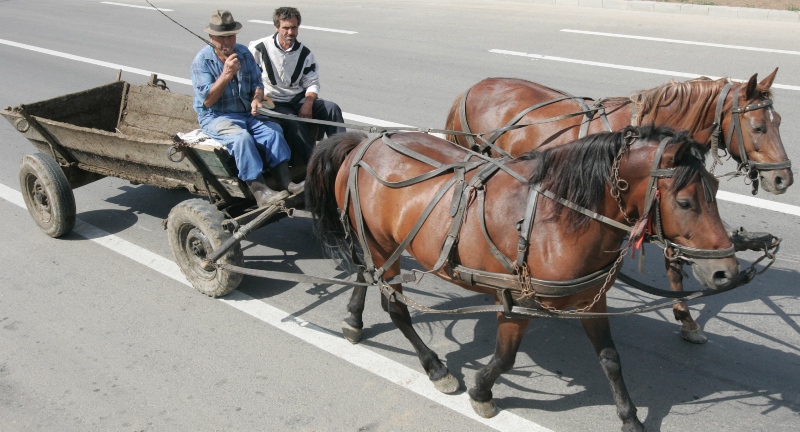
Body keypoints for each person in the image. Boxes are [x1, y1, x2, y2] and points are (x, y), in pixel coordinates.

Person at [191, 9, 303, 207]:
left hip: (245, 113)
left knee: (274, 132)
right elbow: (207, 101)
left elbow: (257, 84)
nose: (227, 43)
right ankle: (259, 191)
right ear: (211, 37)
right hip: (216, 117)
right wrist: (226, 75)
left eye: (230, 37)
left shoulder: (243, 53)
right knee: (242, 138)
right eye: (221, 38)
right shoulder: (202, 61)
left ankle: (286, 182)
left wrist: (257, 99)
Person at [248, 6, 346, 165]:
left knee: (332, 108)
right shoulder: (259, 48)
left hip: (297, 98)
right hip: (273, 101)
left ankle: (344, 158)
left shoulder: (305, 53)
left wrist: (308, 102)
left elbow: (312, 81)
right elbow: (249, 77)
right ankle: (315, 166)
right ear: (277, 27)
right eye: (285, 28)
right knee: (294, 123)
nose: (290, 32)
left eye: (294, 27)